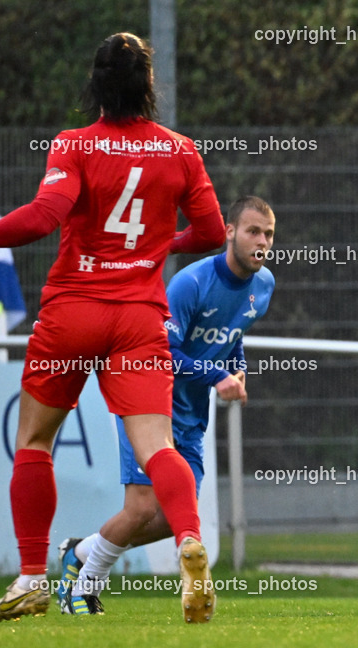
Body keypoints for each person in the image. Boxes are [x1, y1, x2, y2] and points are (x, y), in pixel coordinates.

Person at [0, 33, 225, 624]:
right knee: (159, 449)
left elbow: (43, 216)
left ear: (95, 86)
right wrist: (158, 248)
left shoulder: (73, 143)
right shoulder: (179, 150)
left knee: (34, 442)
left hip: (73, 311)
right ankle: (188, 543)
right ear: (149, 86)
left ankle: (30, 579)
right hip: (139, 319)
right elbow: (212, 233)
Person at [55, 196, 276, 615]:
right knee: (140, 508)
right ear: (229, 232)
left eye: (268, 234)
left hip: (191, 415)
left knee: (179, 517)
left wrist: (239, 369)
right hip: (148, 402)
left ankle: (81, 551)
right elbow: (164, 352)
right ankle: (83, 589)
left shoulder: (264, 286)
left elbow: (235, 334)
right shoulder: (191, 284)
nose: (261, 242)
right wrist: (217, 377)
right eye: (252, 231)